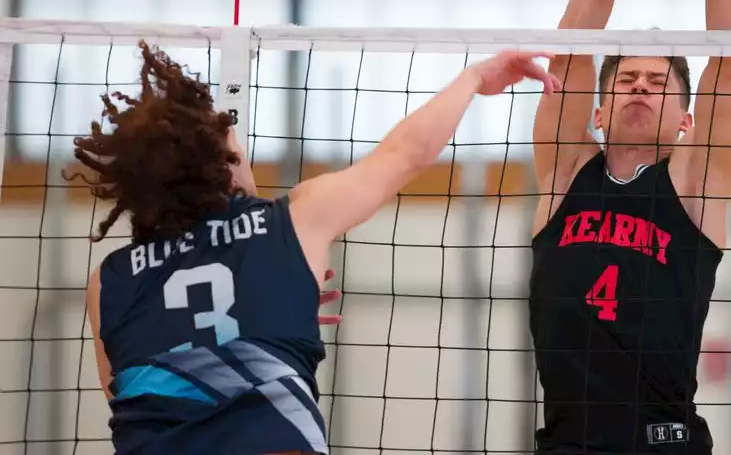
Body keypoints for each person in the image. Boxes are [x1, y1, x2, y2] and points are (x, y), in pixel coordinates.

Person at [80, 42, 559, 455]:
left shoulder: (110, 279)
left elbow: (127, 395)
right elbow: (405, 153)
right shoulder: (291, 220)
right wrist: (474, 77)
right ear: (222, 164)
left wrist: (277, 303)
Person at [528, 0, 731, 454]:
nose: (640, 88)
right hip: (565, 443)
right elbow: (570, 56)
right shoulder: (564, 173)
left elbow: (728, 68)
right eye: (626, 79)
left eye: (658, 84)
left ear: (685, 120)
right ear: (598, 111)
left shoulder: (693, 187)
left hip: (663, 443)